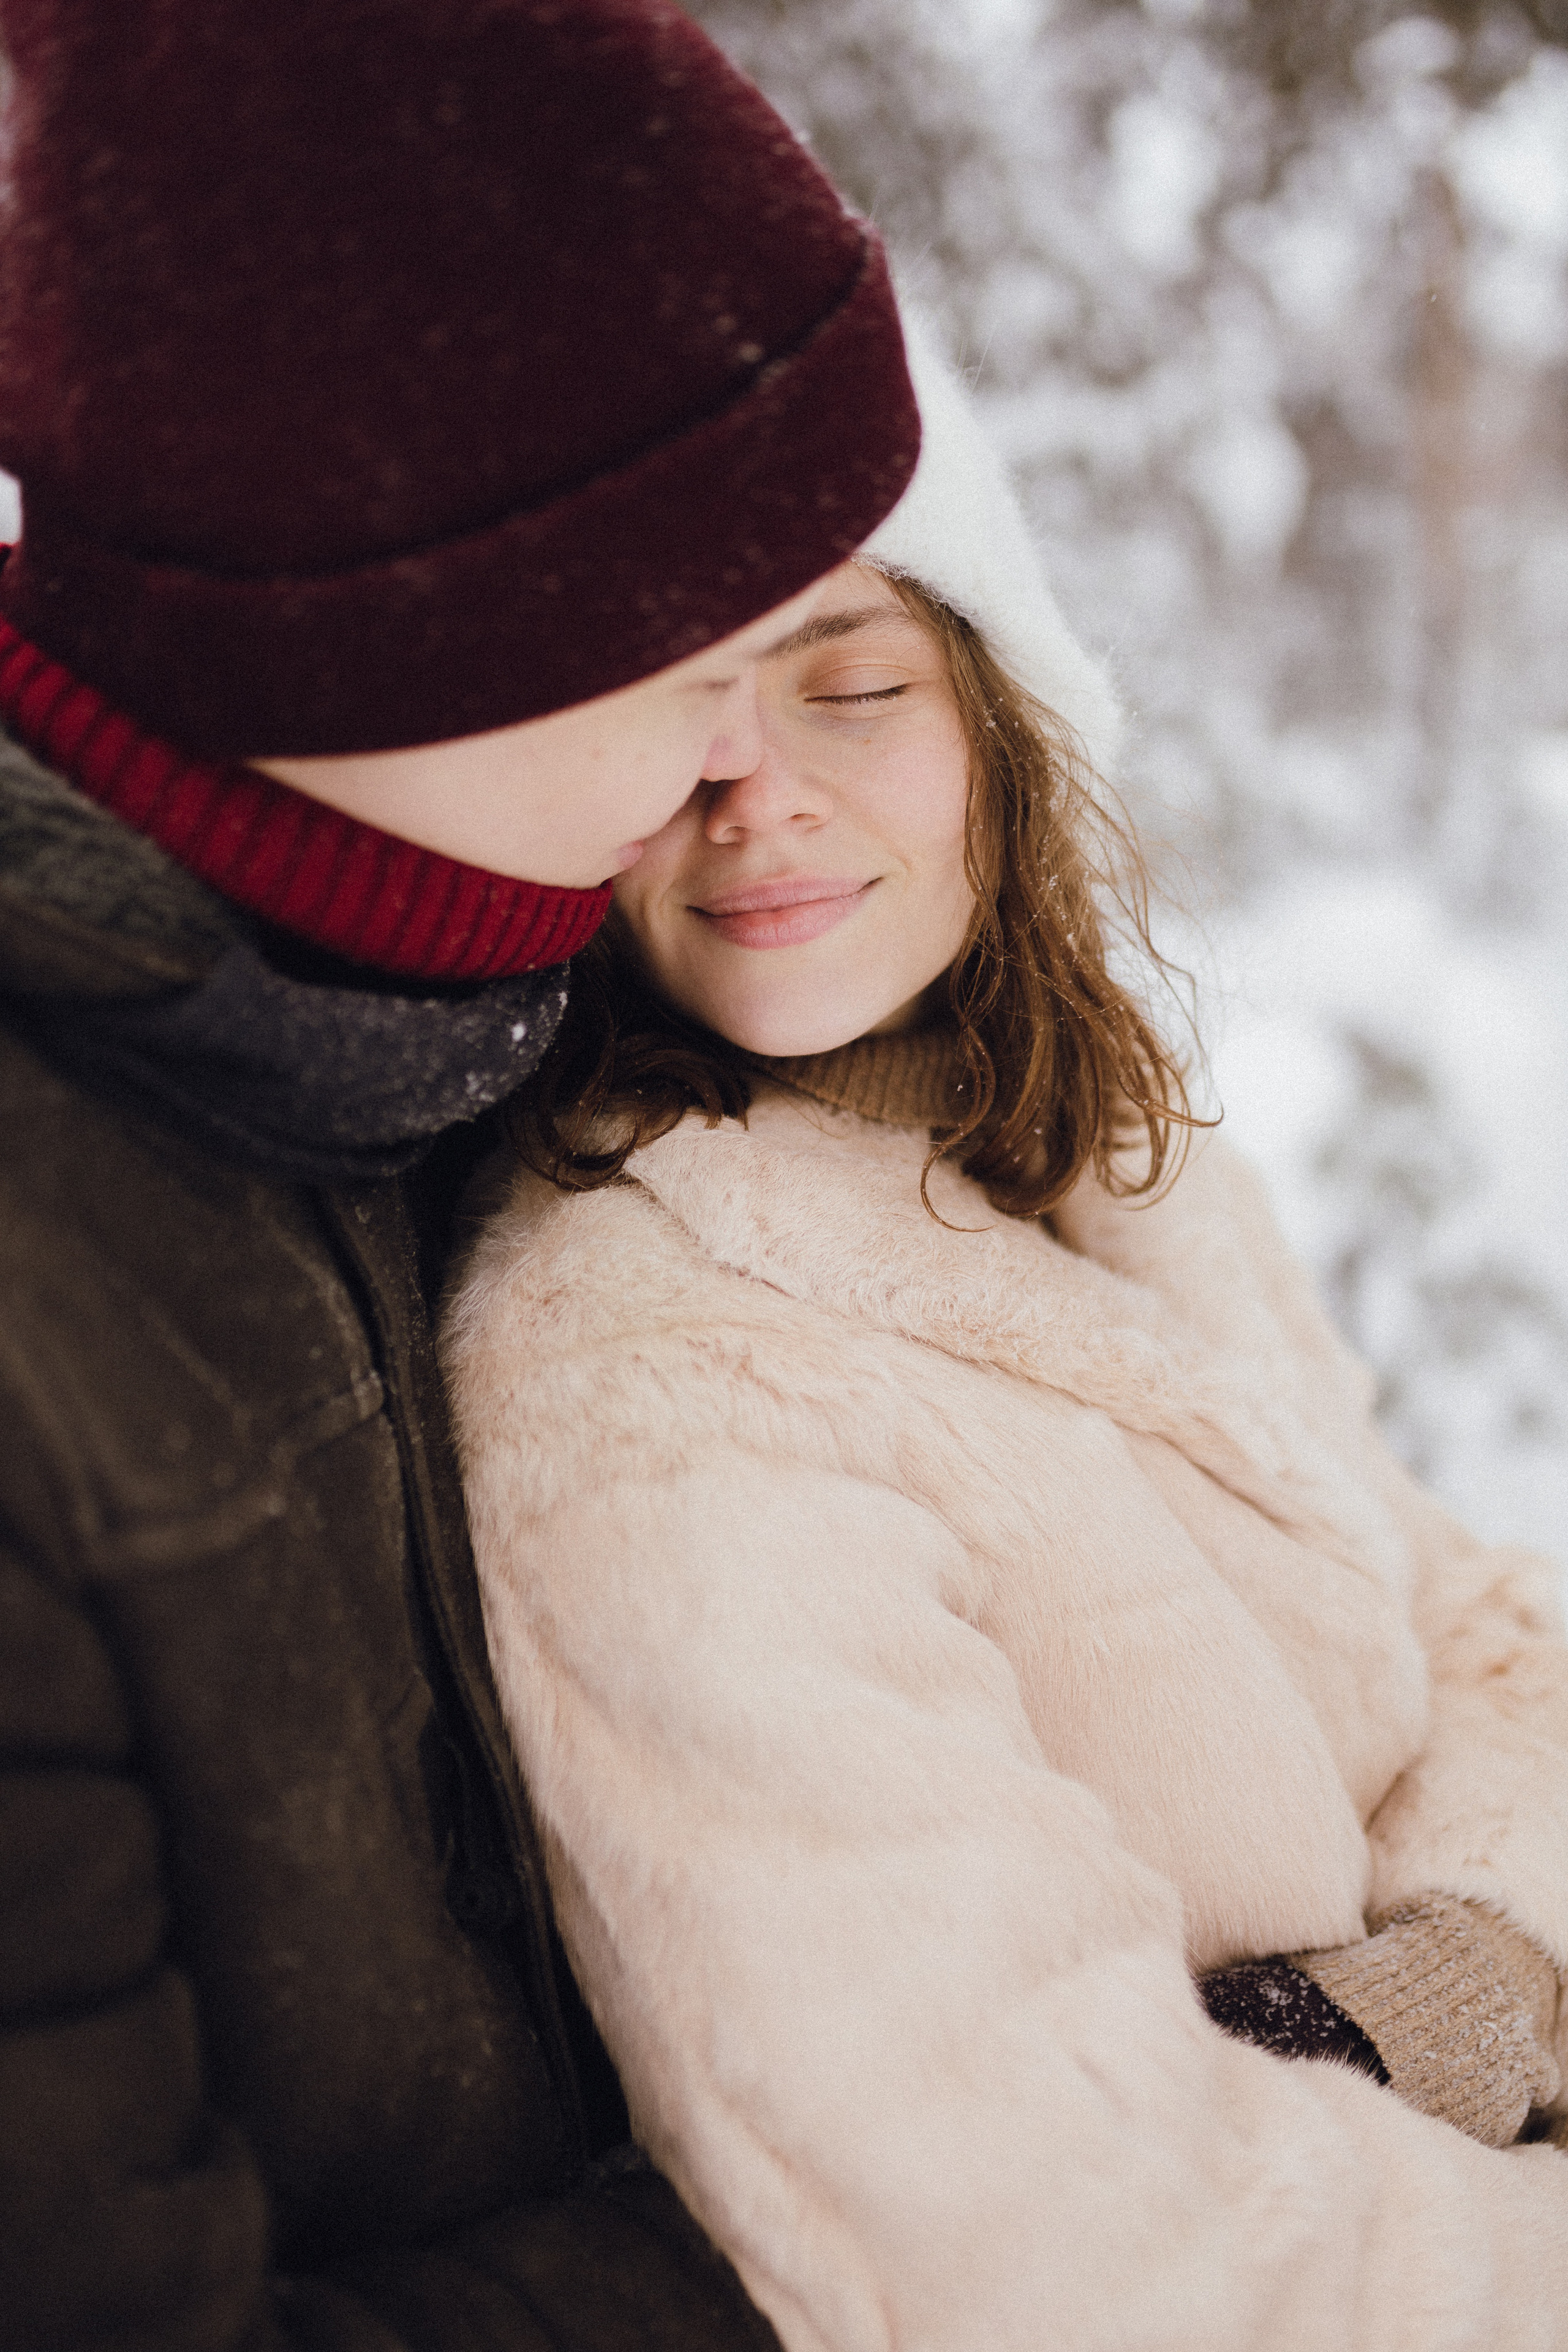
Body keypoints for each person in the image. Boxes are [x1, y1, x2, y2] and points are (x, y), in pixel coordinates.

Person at [443, 311, 1568, 2350]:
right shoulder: (641, 1371)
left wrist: (1486, 1958)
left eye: (854, 683)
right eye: (671, 714)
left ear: (1001, 726)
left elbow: (1489, 1620)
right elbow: (1032, 2244)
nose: (753, 792)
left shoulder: (1111, 1179)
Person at [0, 4, 921, 2345]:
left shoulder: (499, 997)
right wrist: (932, 2213)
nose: (743, 761)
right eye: (686, 651)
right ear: (387, 626)